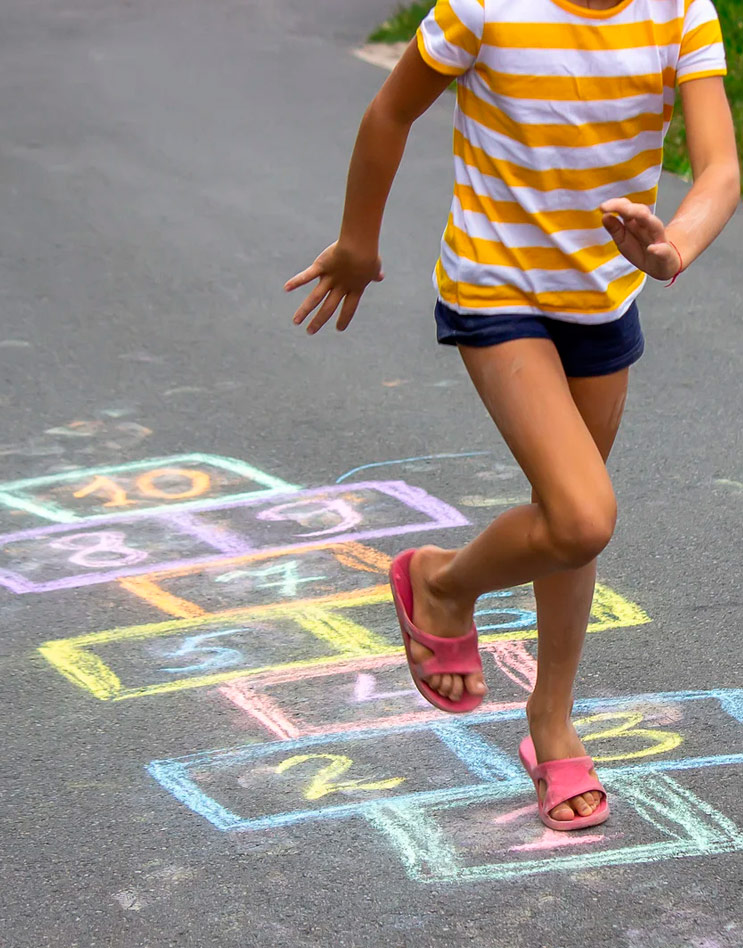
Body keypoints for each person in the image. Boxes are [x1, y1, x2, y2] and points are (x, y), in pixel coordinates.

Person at [285, 0, 739, 829]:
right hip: (495, 291)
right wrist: (358, 241)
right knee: (581, 513)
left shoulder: (681, 12)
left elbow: (718, 168)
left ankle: (550, 721)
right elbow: (391, 107)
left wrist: (673, 248)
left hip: (601, 299)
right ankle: (439, 583)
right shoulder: (485, 7)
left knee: (566, 520)